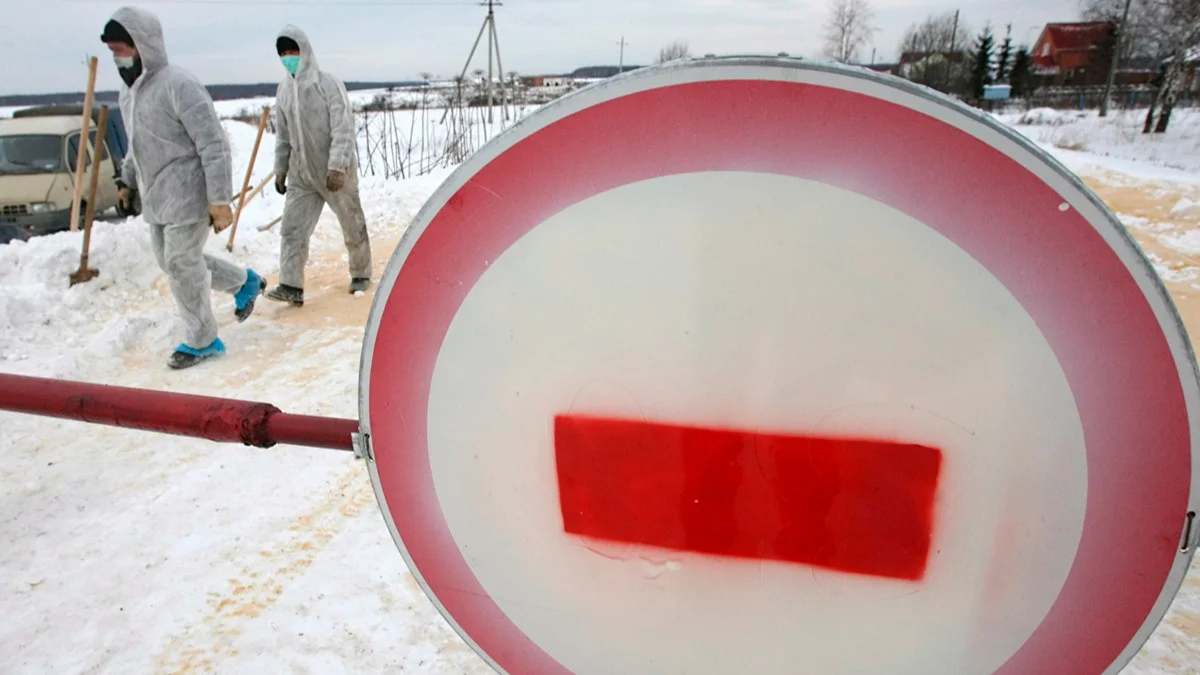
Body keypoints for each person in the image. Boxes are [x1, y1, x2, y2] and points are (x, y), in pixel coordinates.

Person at [101, 7, 265, 370]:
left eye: (121, 49)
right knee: (174, 261)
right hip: (157, 197)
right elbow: (136, 145)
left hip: (190, 193)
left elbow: (213, 143)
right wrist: (126, 180)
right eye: (112, 51)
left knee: (181, 262)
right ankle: (245, 283)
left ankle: (202, 339)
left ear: (143, 44)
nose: (117, 57)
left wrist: (219, 200)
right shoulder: (128, 94)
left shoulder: (179, 85)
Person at [266, 25, 372, 307]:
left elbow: (342, 127)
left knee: (351, 222)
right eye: (283, 53)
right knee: (292, 230)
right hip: (302, 176)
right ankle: (291, 285)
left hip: (335, 173)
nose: (289, 57)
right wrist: (281, 169)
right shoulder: (283, 90)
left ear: (305, 50)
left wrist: (337, 166)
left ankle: (361, 273)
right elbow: (283, 135)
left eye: (293, 50)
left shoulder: (327, 84)